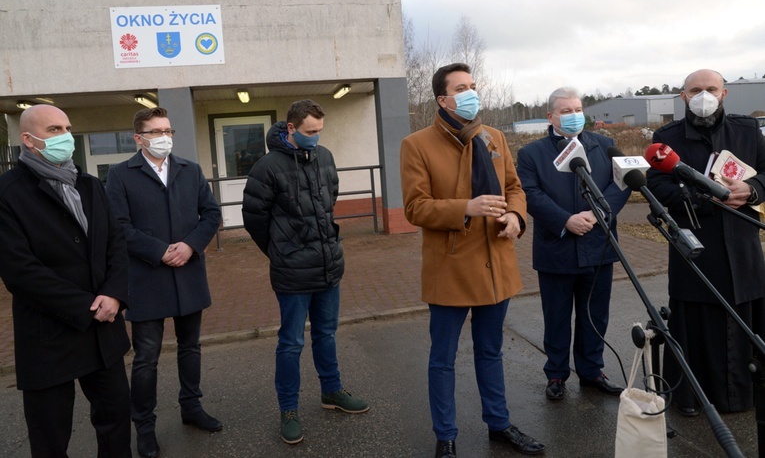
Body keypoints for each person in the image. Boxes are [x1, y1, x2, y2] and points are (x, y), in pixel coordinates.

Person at [400, 63, 545, 457]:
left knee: (490, 351)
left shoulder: (494, 136)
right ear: (442, 99)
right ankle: (445, 436)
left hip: (496, 262)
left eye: (473, 85)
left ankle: (498, 424)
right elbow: (415, 208)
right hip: (450, 266)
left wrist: (516, 216)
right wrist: (466, 206)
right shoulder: (417, 144)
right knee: (443, 359)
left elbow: (514, 188)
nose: (471, 93)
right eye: (461, 87)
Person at [0, 104, 132, 456]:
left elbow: (115, 244)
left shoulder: (89, 185)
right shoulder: (8, 193)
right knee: (50, 436)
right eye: (55, 130)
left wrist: (115, 295)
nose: (66, 137)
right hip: (49, 336)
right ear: (28, 140)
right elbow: (19, 270)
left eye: (68, 128)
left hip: (103, 332)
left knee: (116, 419)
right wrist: (87, 306)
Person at [242, 99, 369, 445]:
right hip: (293, 272)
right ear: (292, 128)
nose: (317, 137)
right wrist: (281, 251)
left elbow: (330, 201)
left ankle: (332, 391)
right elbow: (254, 219)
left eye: (320, 131)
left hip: (329, 265)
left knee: (326, 334)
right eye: (311, 132)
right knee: (291, 343)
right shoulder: (267, 167)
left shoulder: (324, 157)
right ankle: (289, 409)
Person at [646, 69, 765, 416]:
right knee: (696, 326)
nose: (703, 95)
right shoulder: (666, 137)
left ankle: (745, 396)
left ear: (724, 93)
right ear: (683, 96)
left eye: (710, 89)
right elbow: (657, 186)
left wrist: (752, 190)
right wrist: (700, 198)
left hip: (742, 247)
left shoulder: (747, 130)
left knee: (746, 324)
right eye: (695, 90)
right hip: (694, 249)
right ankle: (694, 398)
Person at [106, 107, 223, 458]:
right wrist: (160, 252)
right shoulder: (120, 175)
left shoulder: (190, 169)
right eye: (156, 131)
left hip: (188, 274)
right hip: (146, 279)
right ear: (138, 138)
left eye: (169, 130)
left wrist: (190, 245)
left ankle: (192, 407)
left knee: (190, 349)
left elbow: (212, 213)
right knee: (147, 358)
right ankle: (144, 426)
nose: (165, 137)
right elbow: (119, 227)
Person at [516, 87, 630, 402]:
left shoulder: (605, 146)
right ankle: (556, 374)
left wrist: (595, 214)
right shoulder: (532, 154)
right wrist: (565, 220)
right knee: (557, 316)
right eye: (565, 110)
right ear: (550, 115)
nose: (573, 115)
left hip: (599, 246)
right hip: (557, 247)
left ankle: (592, 371)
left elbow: (620, 185)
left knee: (595, 315)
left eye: (577, 108)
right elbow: (530, 193)